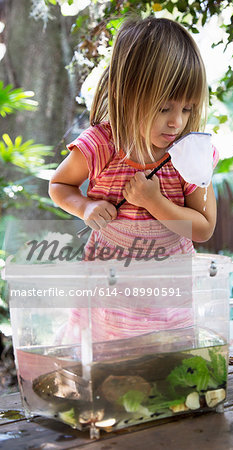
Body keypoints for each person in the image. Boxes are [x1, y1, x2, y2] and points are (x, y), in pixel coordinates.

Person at [49, 16, 219, 343]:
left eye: (187, 109)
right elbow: (59, 186)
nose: (176, 123)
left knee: (163, 357)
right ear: (127, 95)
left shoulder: (190, 156)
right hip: (109, 284)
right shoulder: (101, 145)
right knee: (109, 357)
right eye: (164, 108)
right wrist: (84, 206)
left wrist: (155, 201)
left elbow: (203, 227)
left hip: (167, 287)